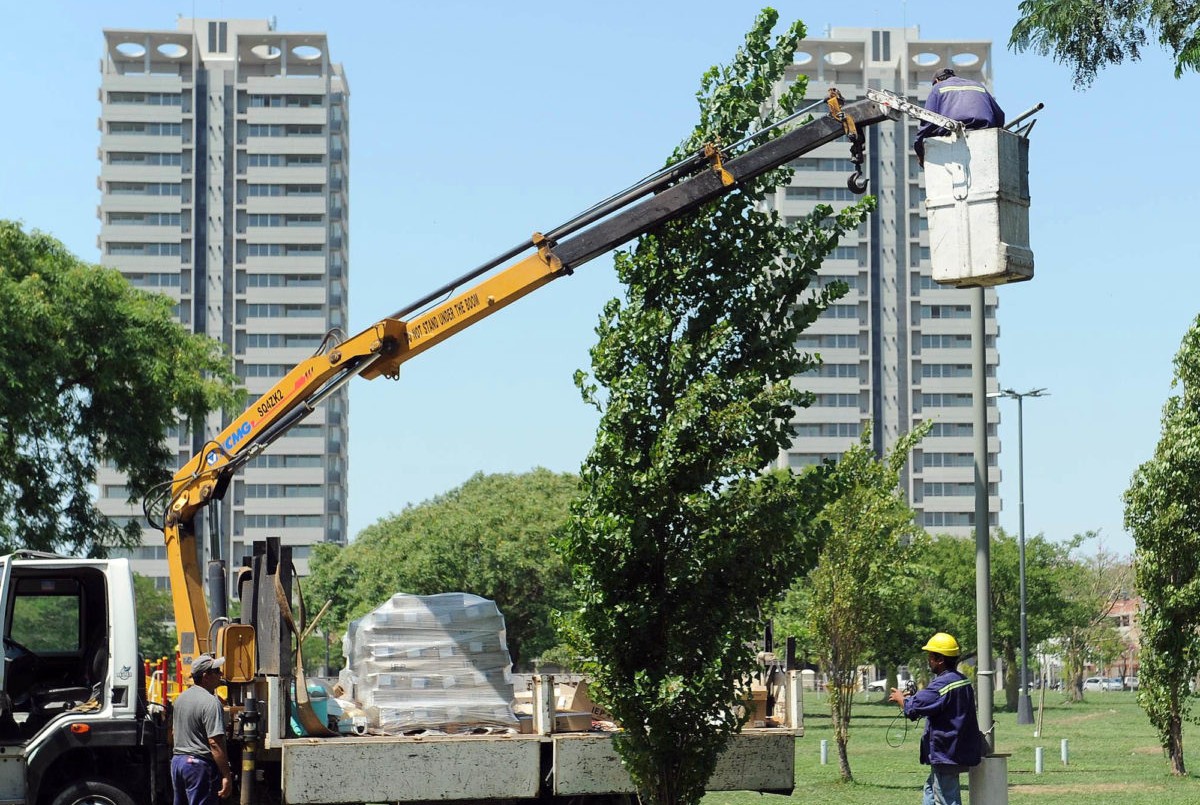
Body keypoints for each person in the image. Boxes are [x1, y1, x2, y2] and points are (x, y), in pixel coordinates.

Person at [888, 632, 982, 805]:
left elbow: (913, 709)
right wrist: (913, 698)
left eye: (931, 656)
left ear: (940, 660)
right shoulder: (962, 681)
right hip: (957, 749)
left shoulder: (942, 684)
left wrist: (902, 699)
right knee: (931, 791)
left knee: (946, 799)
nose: (928, 660)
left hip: (947, 752)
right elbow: (936, 702)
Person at [171, 654, 233, 805]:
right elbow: (214, 743)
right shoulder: (211, 703)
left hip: (178, 762)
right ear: (206, 676)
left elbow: (172, 733)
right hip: (197, 766)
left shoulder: (180, 699)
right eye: (217, 671)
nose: (221, 674)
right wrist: (226, 775)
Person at [914, 68, 1005, 167]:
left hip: (953, 139)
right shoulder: (978, 85)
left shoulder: (937, 88)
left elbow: (928, 121)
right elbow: (1000, 116)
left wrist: (919, 149)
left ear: (936, 81)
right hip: (985, 136)